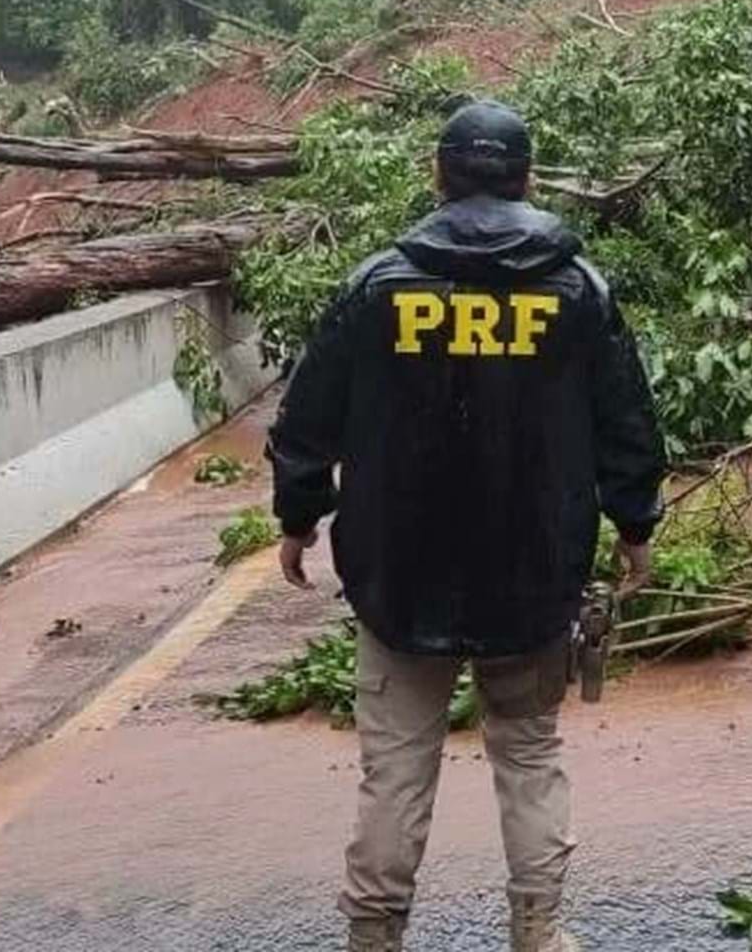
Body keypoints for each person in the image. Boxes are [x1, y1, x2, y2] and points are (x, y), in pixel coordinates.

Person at [268, 100, 665, 952]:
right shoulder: (577, 289)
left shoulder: (378, 286)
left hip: (398, 580)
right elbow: (627, 421)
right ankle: (538, 932)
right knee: (527, 752)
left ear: (438, 175)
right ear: (525, 179)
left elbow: (307, 418)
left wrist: (298, 518)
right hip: (532, 576)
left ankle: (374, 938)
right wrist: (635, 527)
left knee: (394, 772)